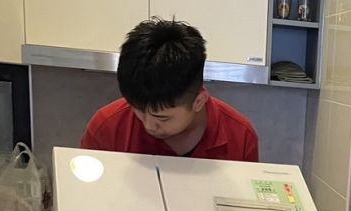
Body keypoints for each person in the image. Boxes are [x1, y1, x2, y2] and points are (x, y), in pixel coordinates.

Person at [81, 18, 259, 161]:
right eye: (138, 110)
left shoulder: (240, 136)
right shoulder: (106, 127)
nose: (149, 125)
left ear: (198, 101)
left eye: (162, 118)